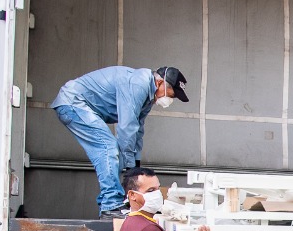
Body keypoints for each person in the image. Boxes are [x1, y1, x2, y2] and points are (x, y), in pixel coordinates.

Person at [52, 65, 190, 219]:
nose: (171, 100)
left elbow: (137, 132)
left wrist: (135, 167)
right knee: (108, 147)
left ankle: (117, 201)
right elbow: (126, 129)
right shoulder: (139, 84)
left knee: (116, 149)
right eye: (172, 95)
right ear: (159, 83)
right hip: (73, 103)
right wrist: (129, 167)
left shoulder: (148, 98)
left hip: (81, 105)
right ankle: (110, 206)